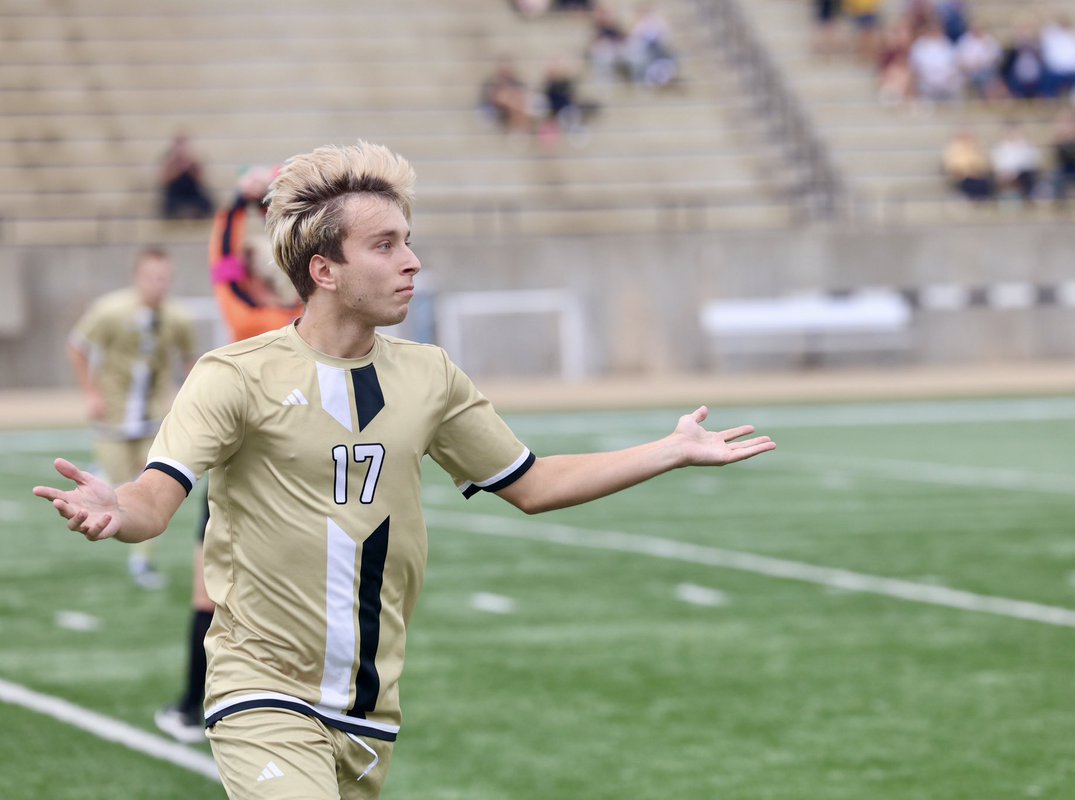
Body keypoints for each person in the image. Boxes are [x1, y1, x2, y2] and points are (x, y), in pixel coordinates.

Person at [33, 141, 776, 799]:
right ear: (323, 269)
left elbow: (535, 484)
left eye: (408, 240)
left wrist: (669, 449)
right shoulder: (233, 375)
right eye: (385, 244)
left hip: (369, 709)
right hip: (259, 692)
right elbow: (155, 502)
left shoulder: (431, 376)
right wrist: (116, 508)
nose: (412, 260)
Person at [154, 167, 304, 745]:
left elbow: (221, 261)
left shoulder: (251, 314)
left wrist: (239, 199)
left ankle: (196, 706)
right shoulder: (310, 321)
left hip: (242, 474)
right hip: (299, 473)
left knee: (208, 594)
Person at [65, 247, 196, 589]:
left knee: (146, 488)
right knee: (119, 485)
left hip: (154, 418)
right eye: (153, 277)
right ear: (138, 278)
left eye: (165, 277)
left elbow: (190, 360)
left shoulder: (177, 317)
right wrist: (91, 393)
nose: (159, 284)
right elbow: (77, 345)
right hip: (114, 415)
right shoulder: (110, 311)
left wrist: (188, 398)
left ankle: (142, 561)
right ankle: (105, 477)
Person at [160, 133, 214, 220]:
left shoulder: (193, 161)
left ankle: (194, 213)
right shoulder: (170, 161)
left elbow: (201, 179)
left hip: (191, 191)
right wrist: (179, 169)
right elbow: (165, 180)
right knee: (168, 205)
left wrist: (190, 166)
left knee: (207, 203)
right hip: (175, 192)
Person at [990, 123, 1041, 203]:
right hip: (1004, 175)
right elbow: (997, 164)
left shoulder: (1027, 146)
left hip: (1022, 174)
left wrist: (1015, 172)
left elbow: (1032, 163)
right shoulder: (1000, 147)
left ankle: (1028, 199)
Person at [942, 130, 994, 202]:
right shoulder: (954, 150)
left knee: (985, 183)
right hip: (963, 178)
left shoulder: (976, 149)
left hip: (977, 176)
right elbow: (953, 166)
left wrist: (975, 170)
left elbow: (983, 164)